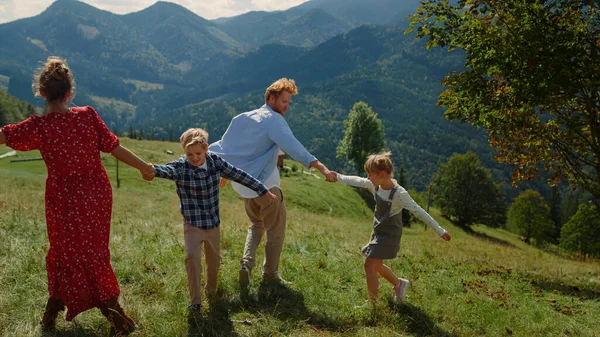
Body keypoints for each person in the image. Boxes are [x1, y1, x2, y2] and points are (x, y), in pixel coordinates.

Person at [0, 57, 153, 335]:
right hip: (96, 194)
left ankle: (116, 316)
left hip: (63, 198)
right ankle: (55, 312)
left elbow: (4, 135)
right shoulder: (87, 116)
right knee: (89, 252)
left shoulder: (38, 126)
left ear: (41, 93)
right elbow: (114, 147)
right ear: (71, 92)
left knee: (66, 251)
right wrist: (144, 166)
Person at [209, 78, 336, 285]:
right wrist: (322, 168)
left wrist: (223, 175)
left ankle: (246, 264)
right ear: (271, 98)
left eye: (288, 103)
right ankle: (270, 275)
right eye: (284, 101)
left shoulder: (241, 118)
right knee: (275, 230)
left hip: (244, 187)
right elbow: (295, 147)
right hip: (267, 188)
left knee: (256, 224)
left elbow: (227, 148)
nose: (286, 107)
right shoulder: (274, 120)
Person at [146, 128, 279, 310]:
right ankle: (195, 301)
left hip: (213, 224)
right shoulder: (181, 167)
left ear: (206, 149)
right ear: (184, 152)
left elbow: (239, 175)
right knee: (192, 257)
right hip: (192, 224)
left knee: (214, 261)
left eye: (198, 153)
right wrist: (152, 170)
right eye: (189, 154)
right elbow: (166, 170)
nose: (194, 158)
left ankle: (211, 290)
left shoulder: (215, 162)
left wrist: (263, 190)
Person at [331, 152, 451, 304]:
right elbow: (358, 180)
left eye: (370, 174)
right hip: (378, 231)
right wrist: (338, 177)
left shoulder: (399, 194)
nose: (368, 178)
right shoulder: (376, 185)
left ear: (381, 174)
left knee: (369, 265)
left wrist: (440, 230)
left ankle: (372, 303)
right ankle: (399, 284)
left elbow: (419, 211)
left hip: (389, 235)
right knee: (378, 265)